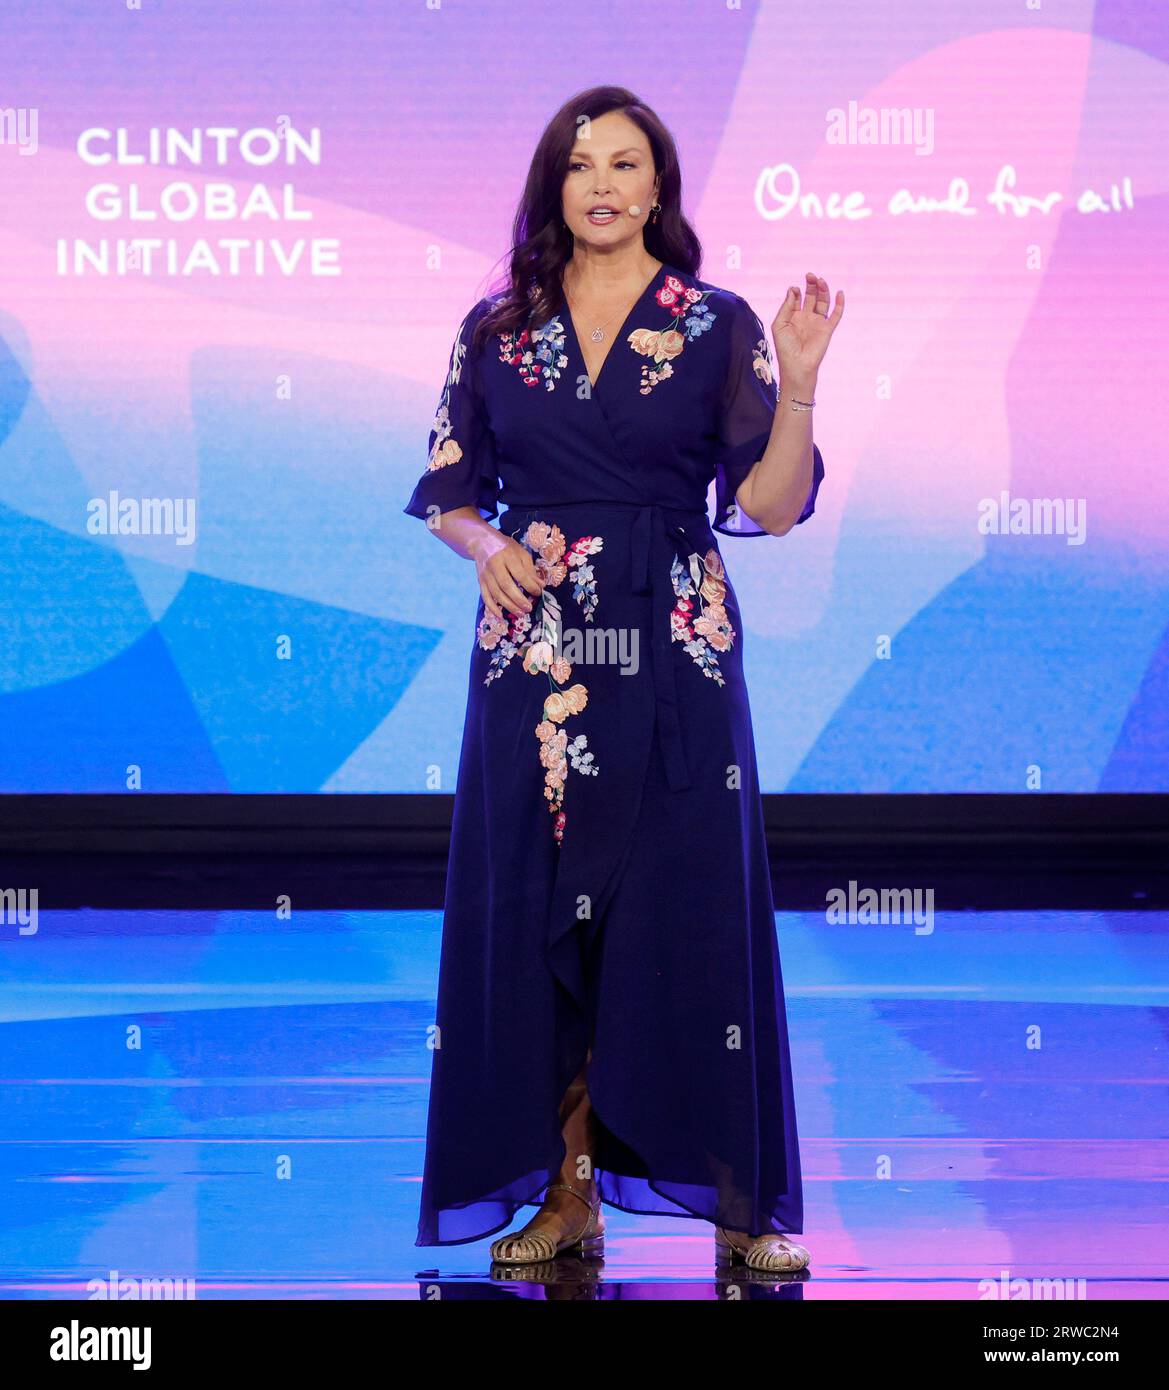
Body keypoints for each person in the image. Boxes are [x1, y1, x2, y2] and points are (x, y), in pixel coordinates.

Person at [403, 85, 844, 1274]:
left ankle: (739, 1198)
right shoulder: (496, 328)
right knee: (543, 922)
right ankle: (567, 1193)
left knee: (683, 913)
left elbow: (766, 505)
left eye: (625, 163)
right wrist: (488, 547)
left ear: (659, 187)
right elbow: (446, 486)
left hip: (673, 648)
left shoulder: (716, 322)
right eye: (579, 164)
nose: (601, 183)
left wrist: (796, 381)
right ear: (555, 185)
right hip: (539, 656)